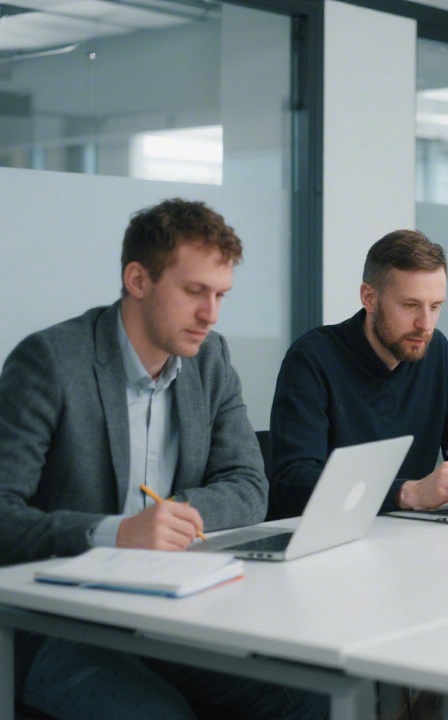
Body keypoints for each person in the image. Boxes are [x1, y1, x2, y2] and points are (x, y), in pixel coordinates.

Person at [0, 199, 323, 719]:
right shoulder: (52, 362)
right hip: (55, 624)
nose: (210, 314)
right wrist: (118, 532)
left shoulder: (210, 359)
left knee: (305, 698)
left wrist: (172, 517)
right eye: (195, 291)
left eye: (220, 295)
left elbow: (247, 483)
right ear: (138, 279)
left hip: (170, 608)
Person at [270, 229, 448, 517]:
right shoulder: (312, 358)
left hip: (408, 533)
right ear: (369, 298)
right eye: (410, 305)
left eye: (435, 307)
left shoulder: (436, 351)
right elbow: (293, 481)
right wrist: (406, 492)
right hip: (329, 537)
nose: (426, 324)